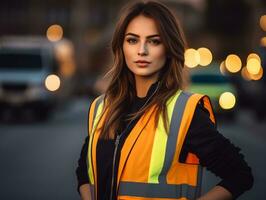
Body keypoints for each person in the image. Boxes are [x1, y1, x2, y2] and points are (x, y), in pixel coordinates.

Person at [76, 1, 253, 200]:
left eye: (154, 41)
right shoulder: (102, 107)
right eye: (133, 40)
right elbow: (84, 172)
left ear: (169, 48)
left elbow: (240, 175)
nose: (142, 50)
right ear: (121, 47)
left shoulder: (184, 111)